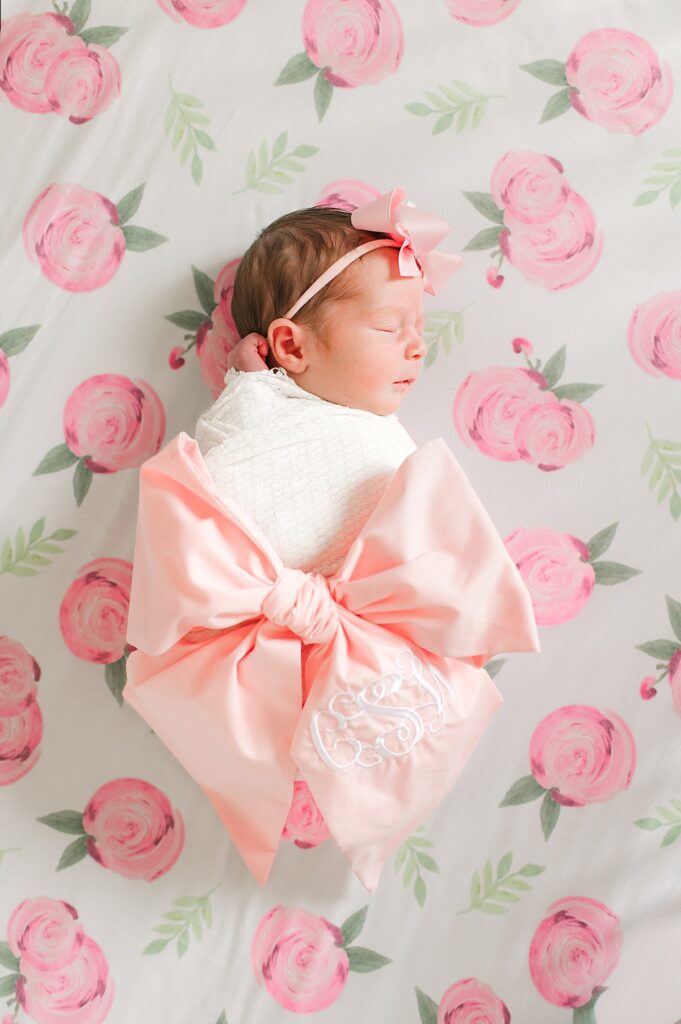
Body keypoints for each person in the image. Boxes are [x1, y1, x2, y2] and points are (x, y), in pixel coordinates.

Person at [122, 188, 541, 892]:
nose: (415, 346)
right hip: (284, 626)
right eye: (388, 329)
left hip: (369, 615)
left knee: (421, 697)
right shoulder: (257, 416)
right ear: (291, 344)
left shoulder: (328, 406)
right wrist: (248, 393)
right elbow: (234, 468)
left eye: (418, 328)